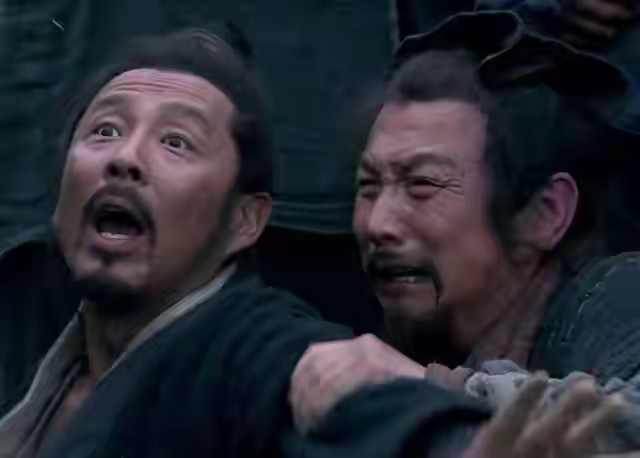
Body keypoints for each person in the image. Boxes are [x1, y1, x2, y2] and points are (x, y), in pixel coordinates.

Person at [289, 11, 640, 454]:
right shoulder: (388, 340)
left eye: (422, 184)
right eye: (368, 186)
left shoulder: (618, 297)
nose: (377, 224)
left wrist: (422, 387)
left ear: (545, 213)